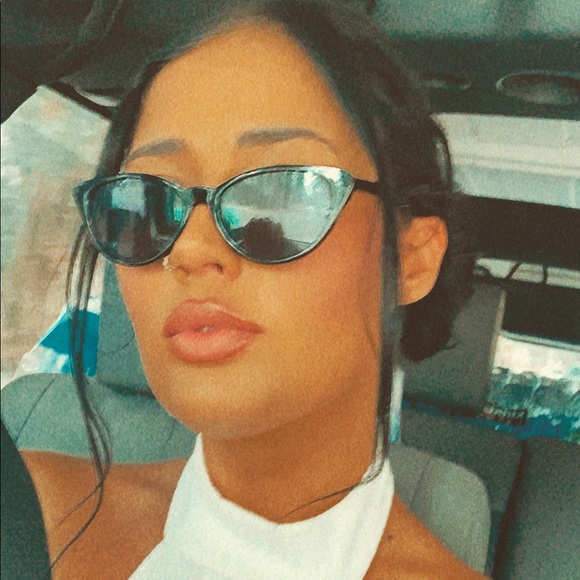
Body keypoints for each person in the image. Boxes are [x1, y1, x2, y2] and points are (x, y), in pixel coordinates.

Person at [22, 1, 482, 578]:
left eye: (279, 194)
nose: (189, 250)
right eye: (147, 203)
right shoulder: (27, 509)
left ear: (411, 259)